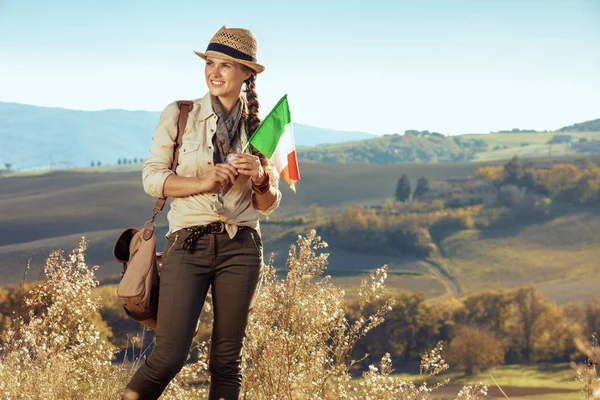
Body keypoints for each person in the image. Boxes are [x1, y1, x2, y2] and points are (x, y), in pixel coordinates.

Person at [122, 25, 281, 400]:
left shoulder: (262, 127)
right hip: (186, 244)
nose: (214, 72)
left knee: (227, 361)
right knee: (168, 356)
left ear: (247, 73)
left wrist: (260, 177)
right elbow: (153, 179)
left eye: (226, 65)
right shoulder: (180, 115)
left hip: (242, 247)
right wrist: (205, 181)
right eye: (210, 62)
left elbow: (268, 204)